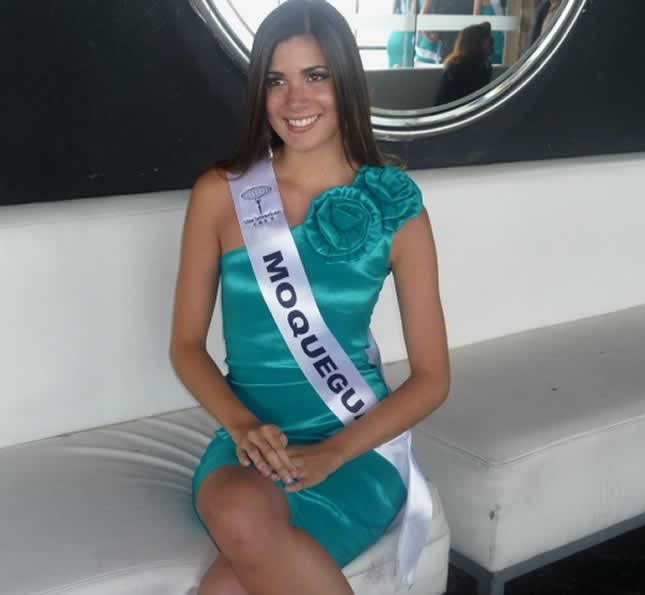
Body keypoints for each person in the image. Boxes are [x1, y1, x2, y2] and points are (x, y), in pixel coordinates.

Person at [170, 1, 450, 594]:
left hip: (356, 445)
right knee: (238, 510)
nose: (295, 100)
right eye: (277, 80)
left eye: (315, 75)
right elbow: (186, 346)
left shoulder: (396, 210)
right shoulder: (221, 193)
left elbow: (432, 379)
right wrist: (242, 426)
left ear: (347, 81)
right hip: (250, 442)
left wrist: (334, 454)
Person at [435, 21, 494, 105]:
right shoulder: (459, 69)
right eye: (489, 42)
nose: (491, 45)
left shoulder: (483, 65)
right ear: (476, 43)